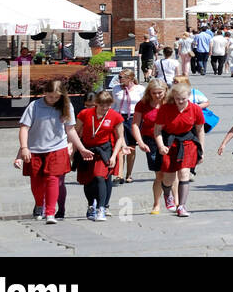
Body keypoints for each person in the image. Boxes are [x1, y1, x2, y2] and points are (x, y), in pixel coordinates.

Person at [16, 81, 92, 224]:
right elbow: (24, 128)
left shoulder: (66, 106)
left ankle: (50, 213)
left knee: (53, 180)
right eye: (50, 97)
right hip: (36, 149)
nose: (53, 100)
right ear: (45, 93)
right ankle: (39, 204)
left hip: (57, 149)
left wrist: (81, 149)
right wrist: (24, 148)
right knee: (37, 184)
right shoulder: (35, 106)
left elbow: (70, 130)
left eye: (56, 97)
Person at [153, 78, 205, 217]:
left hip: (188, 142)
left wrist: (202, 151)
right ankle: (167, 193)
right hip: (170, 142)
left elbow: (200, 130)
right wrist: (161, 146)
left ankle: (181, 206)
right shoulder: (165, 109)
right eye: (177, 99)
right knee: (168, 178)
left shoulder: (195, 109)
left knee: (184, 173)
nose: (180, 102)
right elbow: (157, 130)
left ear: (188, 96)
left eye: (183, 99)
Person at [75, 89, 126, 221]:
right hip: (87, 148)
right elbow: (76, 132)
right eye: (102, 105)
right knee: (87, 180)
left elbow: (120, 137)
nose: (105, 108)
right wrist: (74, 148)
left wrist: (114, 156)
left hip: (104, 149)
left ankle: (102, 208)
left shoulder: (115, 116)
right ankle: (91, 205)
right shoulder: (84, 114)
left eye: (108, 105)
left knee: (99, 177)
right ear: (96, 103)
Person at [132, 80, 169, 214]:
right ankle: (157, 203)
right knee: (159, 174)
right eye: (154, 93)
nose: (157, 96)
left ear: (165, 90)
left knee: (172, 172)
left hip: (169, 138)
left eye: (160, 93)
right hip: (151, 141)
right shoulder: (143, 104)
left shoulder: (171, 102)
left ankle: (177, 203)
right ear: (149, 92)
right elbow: (135, 124)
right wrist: (140, 142)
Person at [109, 68, 146, 184]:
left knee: (131, 147)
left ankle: (129, 173)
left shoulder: (140, 89)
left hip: (133, 118)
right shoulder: (116, 89)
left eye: (121, 77)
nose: (119, 79)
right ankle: (119, 174)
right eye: (119, 77)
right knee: (119, 145)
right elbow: (113, 104)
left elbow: (144, 103)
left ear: (130, 78)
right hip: (119, 117)